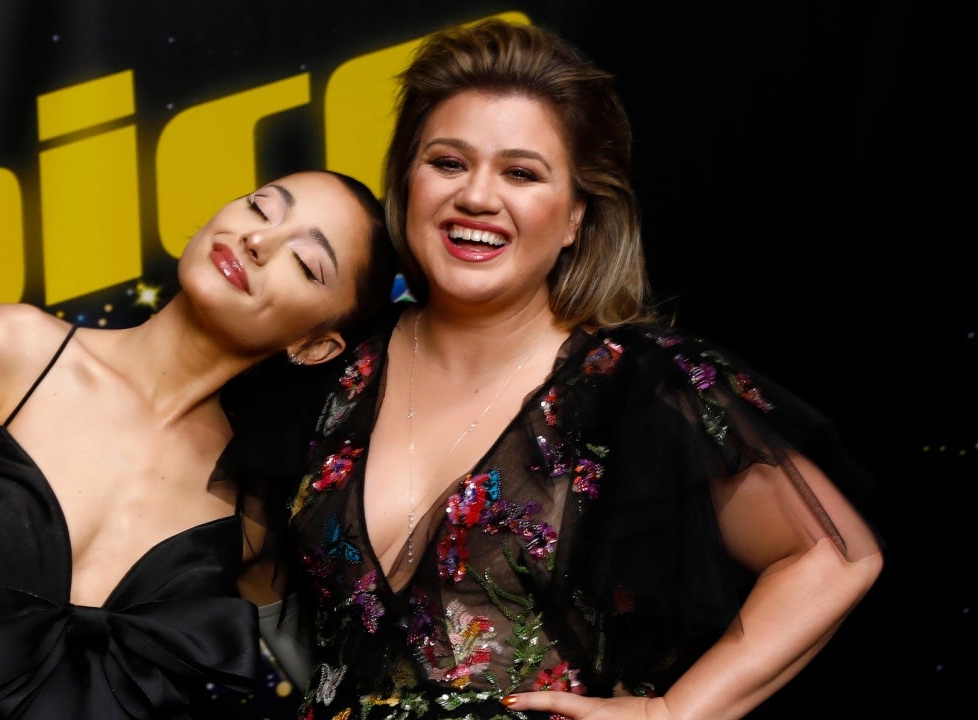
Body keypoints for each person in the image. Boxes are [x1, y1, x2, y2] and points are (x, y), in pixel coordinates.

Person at [285, 19, 883, 720]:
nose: (476, 197)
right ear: (407, 181)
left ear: (575, 216)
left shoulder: (636, 386)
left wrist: (673, 713)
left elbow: (834, 558)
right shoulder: (335, 364)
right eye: (448, 162)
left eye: (520, 173)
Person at [0, 169, 398, 720]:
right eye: (260, 207)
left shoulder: (254, 503)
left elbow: (338, 679)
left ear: (316, 346)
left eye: (305, 262)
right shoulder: (10, 350)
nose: (257, 241)